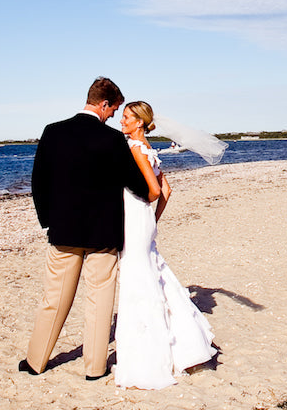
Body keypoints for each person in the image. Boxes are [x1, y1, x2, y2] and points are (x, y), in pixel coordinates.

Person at [19, 77, 151, 380]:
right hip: (103, 233)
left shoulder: (53, 133)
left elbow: (38, 182)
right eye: (114, 110)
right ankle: (94, 368)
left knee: (54, 299)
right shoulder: (113, 141)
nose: (113, 117)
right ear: (103, 104)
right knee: (99, 301)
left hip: (64, 231)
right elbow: (139, 185)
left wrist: (49, 221)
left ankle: (36, 362)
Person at [113, 100, 217, 389]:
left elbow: (156, 190)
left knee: (139, 280)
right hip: (144, 222)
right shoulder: (149, 149)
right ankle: (185, 345)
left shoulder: (135, 149)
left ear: (138, 122)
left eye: (126, 117)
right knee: (153, 274)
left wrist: (140, 209)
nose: (122, 121)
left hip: (135, 223)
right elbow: (167, 192)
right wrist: (153, 218)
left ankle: (150, 354)